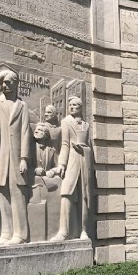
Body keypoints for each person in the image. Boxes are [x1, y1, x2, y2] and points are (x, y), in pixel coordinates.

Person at [0, 70, 32, 244]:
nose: (4, 86)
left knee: (17, 194)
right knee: (2, 192)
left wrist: (24, 158)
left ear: (16, 83)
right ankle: (6, 233)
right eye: (2, 83)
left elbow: (25, 133)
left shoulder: (22, 106)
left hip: (16, 157)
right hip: (1, 155)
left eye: (8, 82)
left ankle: (21, 234)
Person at [51, 96, 94, 241]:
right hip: (71, 161)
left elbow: (89, 145)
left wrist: (85, 150)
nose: (72, 107)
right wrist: (61, 164)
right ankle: (64, 231)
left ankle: (83, 230)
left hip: (84, 161)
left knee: (84, 196)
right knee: (66, 193)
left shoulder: (87, 125)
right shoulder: (65, 122)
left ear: (81, 107)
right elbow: (65, 144)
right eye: (70, 105)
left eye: (75, 105)